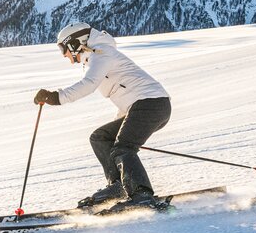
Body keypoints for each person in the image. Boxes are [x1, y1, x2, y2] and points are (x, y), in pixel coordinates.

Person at [33, 23, 171, 210]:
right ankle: (118, 186)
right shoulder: (97, 56)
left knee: (123, 148)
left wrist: (56, 97)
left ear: (74, 43)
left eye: (63, 48)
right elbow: (126, 95)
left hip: (152, 105)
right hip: (145, 106)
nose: (64, 55)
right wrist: (122, 125)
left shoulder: (102, 53)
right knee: (101, 137)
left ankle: (142, 195)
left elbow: (89, 84)